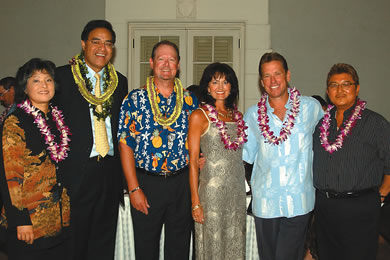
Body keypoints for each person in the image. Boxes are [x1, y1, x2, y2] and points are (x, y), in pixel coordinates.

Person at [53, 20, 128, 260]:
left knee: (103, 241)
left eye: (108, 43)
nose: (102, 48)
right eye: (96, 41)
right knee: (74, 242)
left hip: (109, 172)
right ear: (84, 44)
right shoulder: (61, 78)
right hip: (76, 172)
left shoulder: (120, 81)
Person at [118, 40, 198, 259]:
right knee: (146, 248)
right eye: (161, 58)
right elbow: (125, 144)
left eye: (171, 59)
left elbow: (200, 141)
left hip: (181, 184)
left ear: (178, 65)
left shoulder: (190, 100)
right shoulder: (134, 99)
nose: (166, 64)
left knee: (179, 248)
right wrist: (134, 188)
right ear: (152, 63)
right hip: (147, 183)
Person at [243, 52, 323, 260]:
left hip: (299, 202)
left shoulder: (310, 108)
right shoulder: (252, 115)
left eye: (277, 74)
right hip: (266, 203)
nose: (273, 81)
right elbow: (243, 155)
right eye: (267, 76)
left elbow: (329, 138)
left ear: (287, 75)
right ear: (262, 82)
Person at [313, 63, 390, 260]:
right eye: (333, 85)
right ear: (327, 90)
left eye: (346, 84)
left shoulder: (375, 124)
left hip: (360, 208)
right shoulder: (321, 124)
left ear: (357, 88)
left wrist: (380, 196)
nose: (339, 90)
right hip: (325, 208)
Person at [0, 58, 71, 260]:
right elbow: (9, 175)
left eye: (48, 80)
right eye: (36, 80)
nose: (43, 86)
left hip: (58, 221)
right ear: (25, 86)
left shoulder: (57, 119)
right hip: (29, 222)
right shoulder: (16, 121)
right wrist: (20, 220)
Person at [188, 62, 247, 259]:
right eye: (215, 82)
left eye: (225, 82)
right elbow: (193, 162)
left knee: (234, 242)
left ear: (232, 87)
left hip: (236, 193)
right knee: (212, 245)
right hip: (210, 194)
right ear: (207, 86)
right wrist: (195, 202)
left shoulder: (237, 117)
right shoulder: (199, 115)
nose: (220, 87)